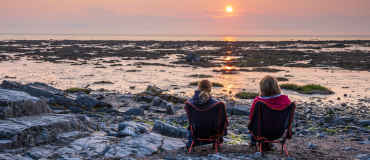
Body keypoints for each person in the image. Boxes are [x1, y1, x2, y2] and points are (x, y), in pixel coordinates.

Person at [249, 75, 292, 148]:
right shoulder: (286, 101)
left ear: (262, 88)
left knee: (256, 124)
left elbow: (252, 118)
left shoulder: (258, 102)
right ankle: (270, 143)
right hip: (279, 132)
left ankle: (253, 143)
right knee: (273, 122)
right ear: (277, 86)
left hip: (261, 132)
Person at [185, 79, 228, 149]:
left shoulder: (189, 104)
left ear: (198, 88)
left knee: (190, 126)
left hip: (197, 132)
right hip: (213, 133)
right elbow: (222, 121)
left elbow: (190, 118)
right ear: (210, 90)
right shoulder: (217, 104)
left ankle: (192, 142)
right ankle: (216, 143)